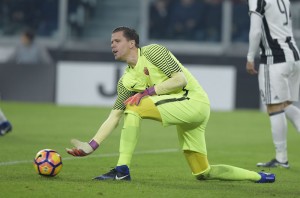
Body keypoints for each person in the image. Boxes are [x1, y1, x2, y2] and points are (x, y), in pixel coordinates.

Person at [66, 26, 275, 183]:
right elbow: (114, 116)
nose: (112, 45)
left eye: (117, 40)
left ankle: (122, 171)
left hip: (195, 102)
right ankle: (259, 177)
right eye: (111, 42)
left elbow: (180, 80)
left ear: (132, 43)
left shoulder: (152, 52)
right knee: (203, 172)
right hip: (186, 114)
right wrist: (91, 145)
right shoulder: (126, 81)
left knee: (134, 106)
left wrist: (146, 93)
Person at [246, 0, 300, 168]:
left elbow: (256, 31)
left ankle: (281, 158)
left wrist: (249, 57)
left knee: (274, 107)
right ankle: (281, 158)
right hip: (293, 56)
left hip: (274, 59)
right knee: (286, 105)